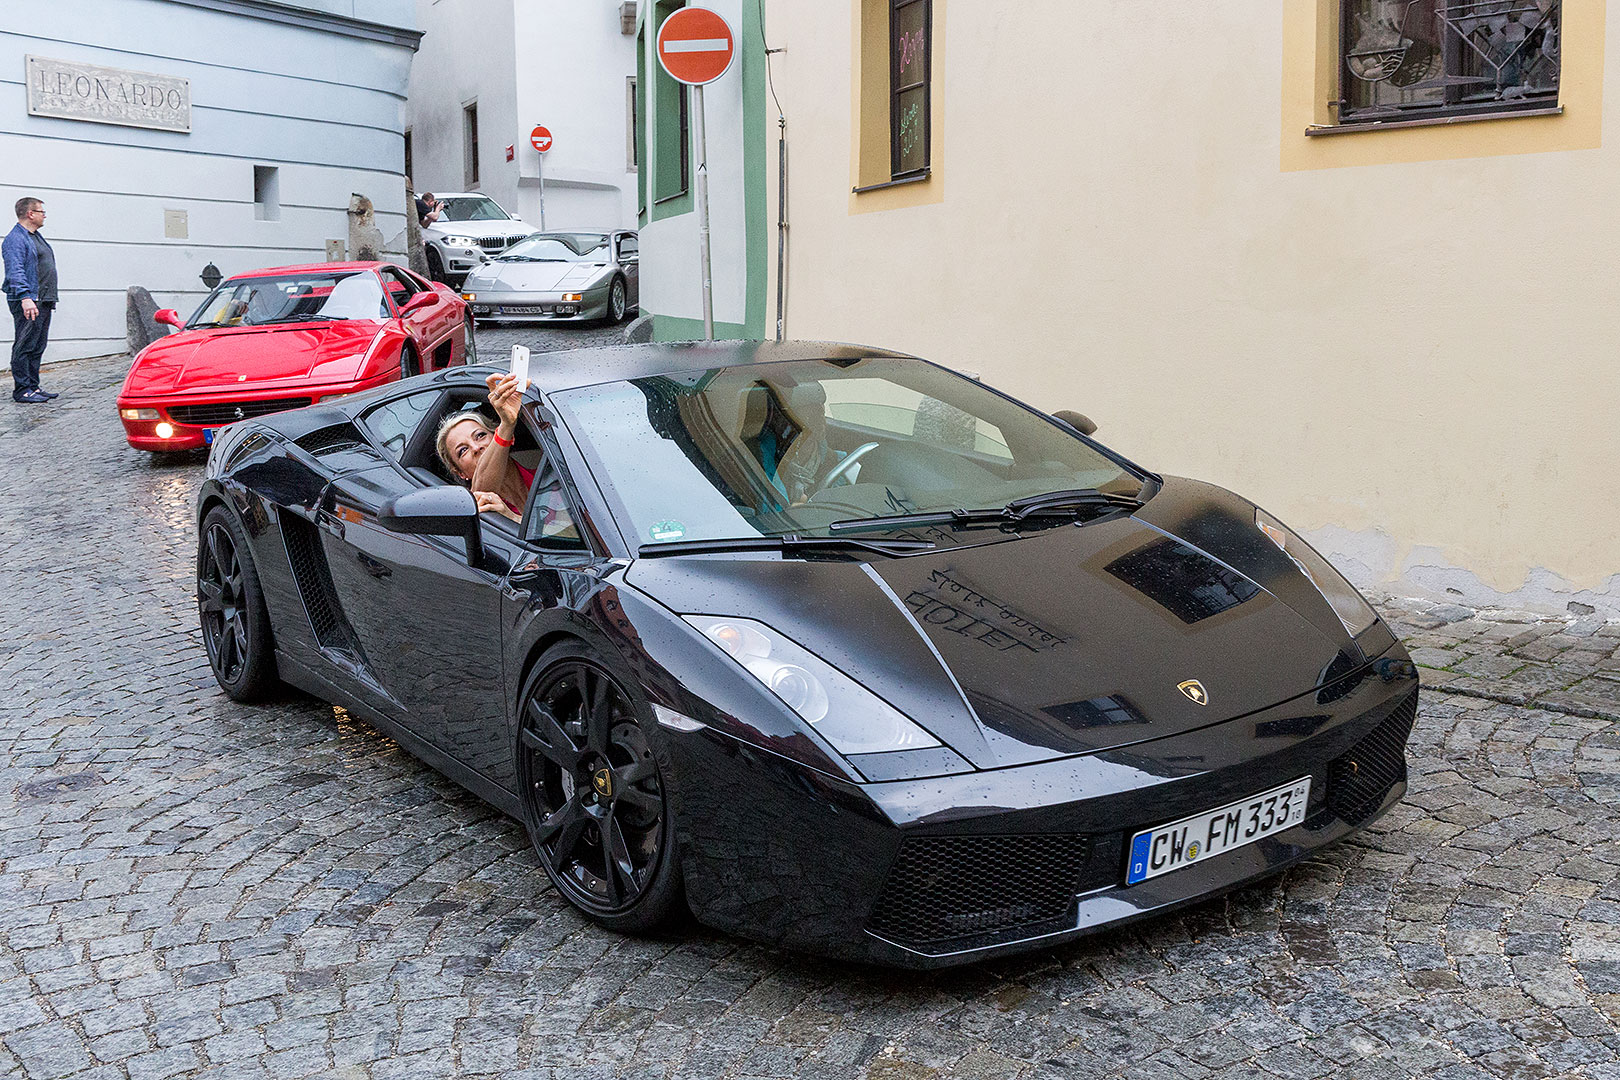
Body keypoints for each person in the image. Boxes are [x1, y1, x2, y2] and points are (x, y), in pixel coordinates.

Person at [435, 373, 531, 522]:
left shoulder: (546, 476)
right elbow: (480, 491)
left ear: (500, 437)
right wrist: (507, 424)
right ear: (460, 472)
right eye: (463, 450)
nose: (475, 447)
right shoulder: (476, 509)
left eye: (480, 435)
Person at [3, 197, 58, 403]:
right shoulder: (15, 239)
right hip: (28, 300)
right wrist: (25, 297)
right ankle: (22, 390)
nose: (44, 215)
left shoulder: (35, 236)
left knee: (37, 345)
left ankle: (33, 387)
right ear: (30, 214)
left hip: (42, 299)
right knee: (25, 345)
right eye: (41, 211)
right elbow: (14, 271)